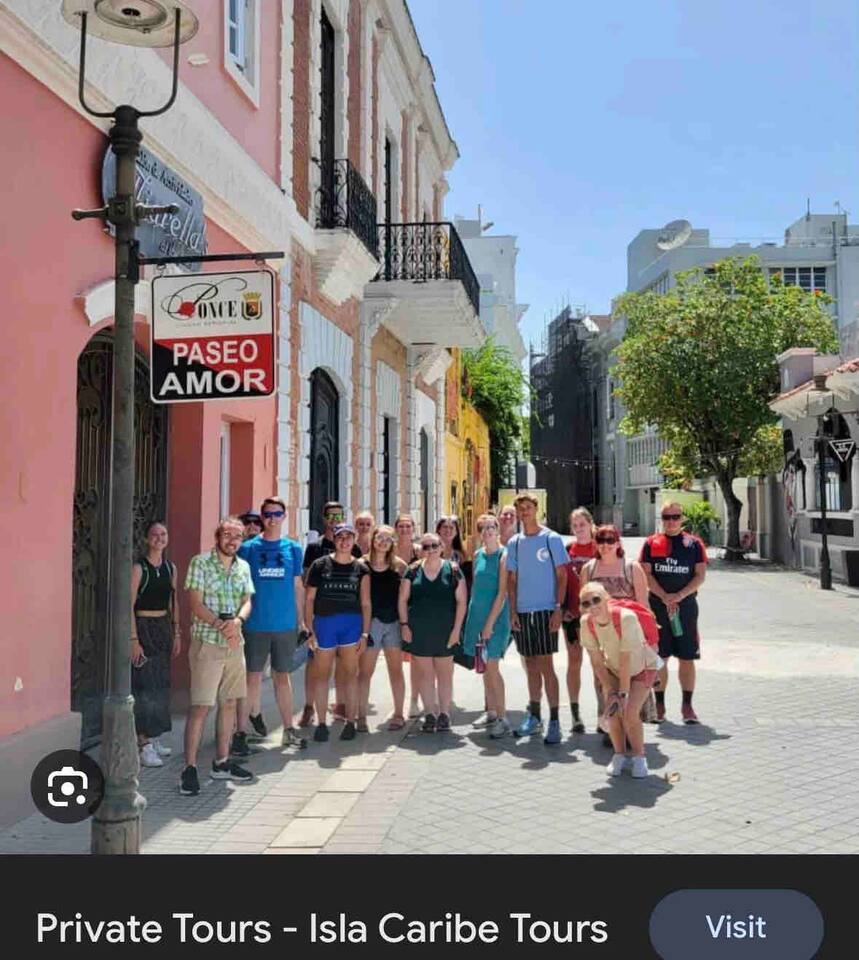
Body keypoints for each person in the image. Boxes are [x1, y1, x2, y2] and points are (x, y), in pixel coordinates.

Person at [180, 517, 255, 796]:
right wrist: (220, 625)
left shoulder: (243, 566)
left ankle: (221, 762)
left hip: (235, 644)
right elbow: (195, 603)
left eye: (237, 536)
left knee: (230, 703)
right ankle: (189, 769)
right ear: (217, 536)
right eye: (227, 534)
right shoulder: (200, 563)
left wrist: (237, 621)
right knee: (201, 706)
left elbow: (247, 601)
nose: (232, 540)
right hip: (208, 643)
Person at [231, 497, 306, 753]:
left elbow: (298, 586)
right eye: (268, 514)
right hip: (255, 624)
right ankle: (240, 732)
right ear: (262, 518)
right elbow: (238, 585)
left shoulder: (293, 548)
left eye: (277, 514)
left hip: (285, 624)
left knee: (282, 677)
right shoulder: (248, 548)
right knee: (251, 678)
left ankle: (289, 730)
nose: (272, 519)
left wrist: (301, 621)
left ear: (284, 516)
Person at [581, 523, 657, 732]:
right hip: (602, 634)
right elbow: (585, 603)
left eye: (610, 540)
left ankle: (629, 725)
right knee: (603, 678)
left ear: (618, 543)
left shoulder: (632, 568)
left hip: (629, 632)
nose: (605, 545)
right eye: (600, 540)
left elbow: (643, 607)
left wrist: (649, 640)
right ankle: (609, 721)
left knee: (632, 677)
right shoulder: (589, 569)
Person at [506, 493, 568, 745]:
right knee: (530, 665)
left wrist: (558, 608)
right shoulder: (514, 543)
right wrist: (512, 611)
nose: (524, 512)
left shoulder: (551, 538)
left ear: (536, 509)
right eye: (520, 509)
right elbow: (511, 580)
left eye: (528, 507)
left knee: (546, 666)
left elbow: (562, 576)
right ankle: (534, 716)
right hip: (522, 612)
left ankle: (555, 721)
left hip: (545, 611)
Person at [579, 582, 659, 778]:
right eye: (586, 603)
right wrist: (609, 690)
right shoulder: (586, 623)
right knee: (613, 712)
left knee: (630, 712)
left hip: (642, 667)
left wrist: (622, 694)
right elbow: (596, 660)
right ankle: (619, 755)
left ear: (606, 598)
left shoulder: (626, 618)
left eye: (596, 599)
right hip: (614, 669)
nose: (592, 606)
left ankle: (639, 758)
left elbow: (626, 658)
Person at [639, 501, 707, 724]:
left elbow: (700, 575)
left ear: (682, 518)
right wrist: (664, 596)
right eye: (666, 517)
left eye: (675, 517)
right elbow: (646, 575)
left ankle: (687, 706)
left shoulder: (694, 544)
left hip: (685, 608)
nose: (671, 522)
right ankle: (659, 706)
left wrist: (679, 595)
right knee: (660, 657)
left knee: (687, 657)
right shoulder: (651, 543)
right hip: (658, 608)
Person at [304, 524, 371, 742]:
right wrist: (309, 629)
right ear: (334, 539)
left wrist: (365, 634)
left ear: (354, 540)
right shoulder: (319, 565)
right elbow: (309, 599)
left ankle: (350, 722)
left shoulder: (361, 569)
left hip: (351, 625)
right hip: (325, 624)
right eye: (340, 537)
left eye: (348, 537)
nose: (344, 541)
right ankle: (322, 723)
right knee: (322, 674)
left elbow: (366, 603)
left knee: (350, 674)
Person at [299, 501, 362, 727]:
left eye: (339, 515)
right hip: (321, 617)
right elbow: (306, 583)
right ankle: (309, 707)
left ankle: (341, 705)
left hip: (346, 617)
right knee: (315, 666)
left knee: (344, 665)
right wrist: (306, 623)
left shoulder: (354, 549)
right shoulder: (314, 548)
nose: (335, 520)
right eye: (331, 516)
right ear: (324, 519)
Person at [399, 531, 467, 732]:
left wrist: (457, 629)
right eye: (426, 547)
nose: (430, 550)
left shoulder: (453, 570)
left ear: (442, 547)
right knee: (425, 674)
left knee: (445, 674)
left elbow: (462, 601)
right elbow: (402, 600)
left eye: (434, 546)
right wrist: (404, 625)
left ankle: (444, 714)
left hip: (446, 630)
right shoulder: (412, 570)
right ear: (420, 549)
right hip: (419, 630)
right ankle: (429, 714)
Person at [131, 521, 181, 768]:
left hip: (163, 627)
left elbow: (173, 601)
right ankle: (143, 743)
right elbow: (129, 604)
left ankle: (155, 735)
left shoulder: (171, 568)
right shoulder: (139, 569)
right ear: (146, 539)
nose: (159, 538)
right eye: (154, 534)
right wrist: (133, 640)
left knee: (161, 684)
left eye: (163, 534)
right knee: (145, 685)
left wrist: (177, 631)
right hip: (143, 627)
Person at [463, 514, 511, 737]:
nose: (488, 530)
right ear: (480, 533)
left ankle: (503, 717)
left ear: (498, 530)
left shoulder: (504, 555)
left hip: (497, 619)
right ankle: (490, 711)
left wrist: (490, 624)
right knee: (483, 665)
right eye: (484, 527)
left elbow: (502, 593)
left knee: (492, 666)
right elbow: (475, 588)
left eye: (492, 526)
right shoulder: (477, 555)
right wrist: (474, 620)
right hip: (478, 617)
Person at [358, 525, 408, 731]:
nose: (383, 542)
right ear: (373, 539)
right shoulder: (361, 564)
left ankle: (399, 713)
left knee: (395, 670)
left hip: (393, 622)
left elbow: (406, 596)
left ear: (393, 543)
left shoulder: (399, 566)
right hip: (370, 623)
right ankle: (361, 716)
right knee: (365, 672)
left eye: (388, 539)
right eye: (380, 537)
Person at [562, 508, 598, 735]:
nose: (578, 529)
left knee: (598, 665)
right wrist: (563, 608)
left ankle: (604, 714)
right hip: (572, 616)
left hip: (596, 617)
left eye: (582, 524)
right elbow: (561, 580)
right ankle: (575, 714)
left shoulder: (601, 547)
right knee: (574, 662)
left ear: (590, 524)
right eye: (575, 525)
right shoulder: (568, 550)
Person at [393, 513, 422, 718]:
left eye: (408, 526)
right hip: (391, 609)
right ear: (396, 529)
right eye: (401, 526)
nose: (404, 530)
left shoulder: (419, 551)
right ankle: (398, 703)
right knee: (395, 658)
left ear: (413, 529)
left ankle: (414, 700)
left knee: (415, 659)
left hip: (414, 609)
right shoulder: (389, 551)